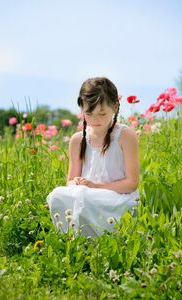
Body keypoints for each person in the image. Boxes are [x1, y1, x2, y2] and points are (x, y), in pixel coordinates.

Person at [46, 77, 140, 237]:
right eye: (89, 113)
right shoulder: (77, 140)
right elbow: (70, 181)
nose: (95, 120)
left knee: (84, 198)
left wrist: (95, 186)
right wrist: (78, 183)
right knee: (56, 195)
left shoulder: (125, 136)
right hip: (87, 193)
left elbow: (131, 184)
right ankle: (70, 240)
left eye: (102, 114)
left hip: (118, 198)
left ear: (115, 107)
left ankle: (94, 242)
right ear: (82, 109)